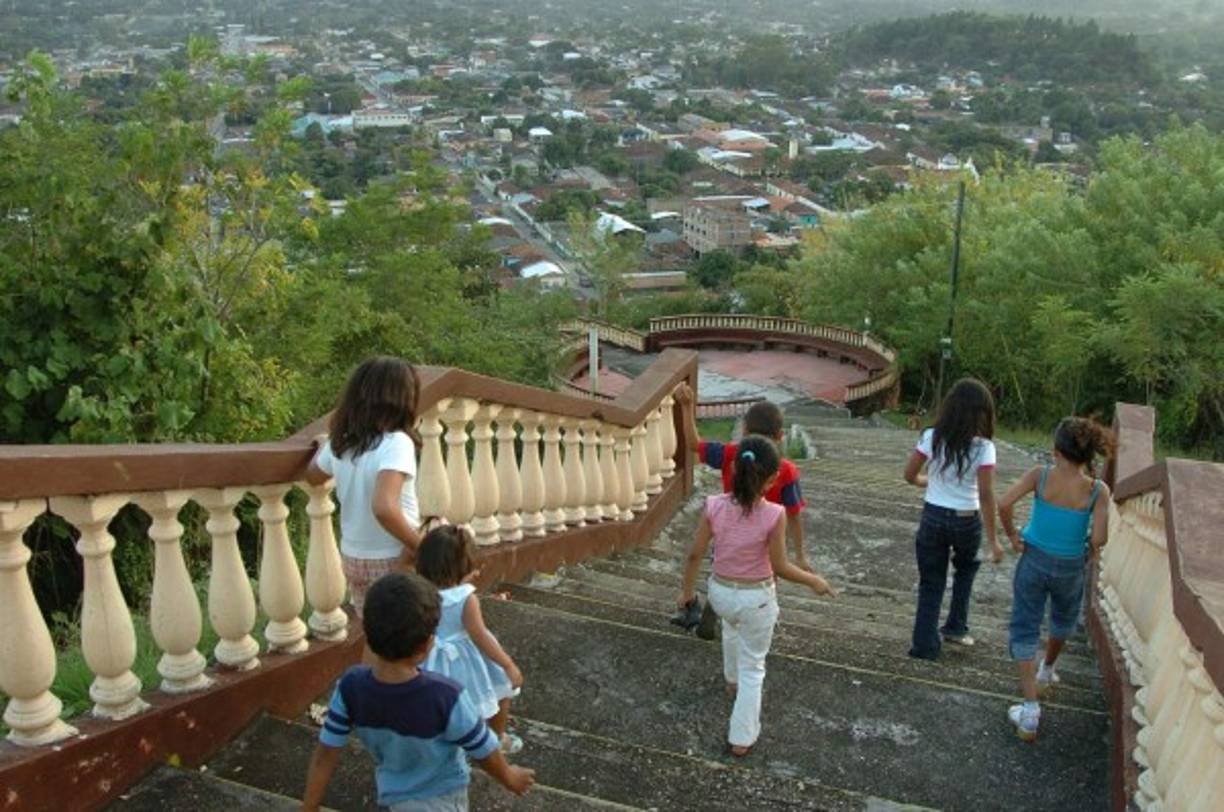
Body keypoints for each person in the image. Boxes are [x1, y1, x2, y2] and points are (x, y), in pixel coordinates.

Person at [302, 573, 534, 811]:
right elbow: (483, 749)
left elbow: (325, 753)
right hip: (443, 798)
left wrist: (309, 806)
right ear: (427, 644)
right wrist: (509, 777)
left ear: (368, 635)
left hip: (393, 792)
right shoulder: (447, 697)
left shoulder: (350, 687)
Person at [678, 436, 837, 757]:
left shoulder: (713, 505)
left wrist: (687, 592)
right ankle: (741, 737)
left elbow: (695, 554)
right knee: (754, 665)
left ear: (734, 469)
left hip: (720, 593)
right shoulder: (775, 514)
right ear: (772, 479)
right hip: (756, 600)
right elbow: (780, 566)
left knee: (731, 627)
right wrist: (813, 581)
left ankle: (731, 680)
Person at [998, 417, 1113, 742]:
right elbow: (1100, 538)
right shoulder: (1098, 491)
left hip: (1034, 559)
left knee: (1025, 625)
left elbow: (1004, 503)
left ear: (1056, 450)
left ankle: (1030, 709)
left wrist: (1013, 536)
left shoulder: (1041, 475)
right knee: (1063, 619)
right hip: (1071, 566)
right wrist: (1089, 548)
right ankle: (1047, 670)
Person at [306, 357, 424, 617]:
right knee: (407, 631)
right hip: (393, 555)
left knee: (374, 627)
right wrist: (421, 546)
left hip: (354, 557)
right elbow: (384, 507)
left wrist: (323, 445)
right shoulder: (397, 443)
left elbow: (313, 476)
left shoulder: (342, 443)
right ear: (404, 399)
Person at [903, 378, 1002, 660]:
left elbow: (909, 475)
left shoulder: (931, 437)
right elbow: (986, 494)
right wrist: (994, 541)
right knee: (965, 572)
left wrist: (927, 481)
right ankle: (956, 627)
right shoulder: (984, 448)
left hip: (933, 515)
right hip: (966, 519)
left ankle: (924, 646)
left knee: (931, 581)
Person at [416, 524, 525, 755]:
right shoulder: (465, 598)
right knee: (500, 689)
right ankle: (496, 739)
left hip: (428, 659)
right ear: (462, 567)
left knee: (440, 707)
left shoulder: (418, 593)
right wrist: (507, 664)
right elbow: (479, 635)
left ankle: (445, 750)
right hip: (464, 660)